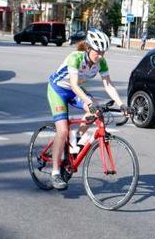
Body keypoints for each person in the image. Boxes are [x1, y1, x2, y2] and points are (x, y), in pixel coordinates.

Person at [46, 28, 130, 190]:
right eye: (98, 52)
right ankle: (55, 172)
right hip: (58, 89)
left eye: (103, 52)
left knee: (97, 111)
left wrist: (121, 104)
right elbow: (74, 85)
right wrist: (88, 102)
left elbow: (108, 84)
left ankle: (75, 140)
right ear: (88, 48)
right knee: (62, 131)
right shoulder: (75, 58)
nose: (101, 56)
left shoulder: (101, 62)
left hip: (75, 90)